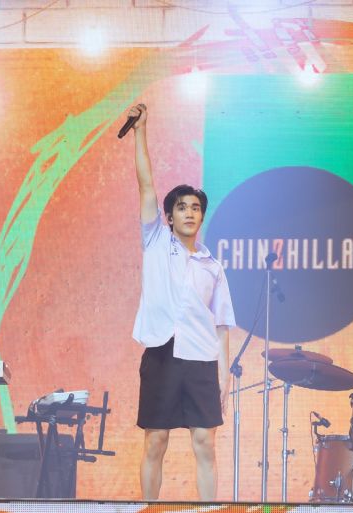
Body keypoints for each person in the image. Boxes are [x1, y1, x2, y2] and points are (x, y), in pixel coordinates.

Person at [129, 104, 235, 501]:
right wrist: (141, 130)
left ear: (201, 217)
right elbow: (146, 186)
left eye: (196, 208)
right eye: (182, 207)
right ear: (169, 217)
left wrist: (223, 378)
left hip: (201, 359)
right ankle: (149, 509)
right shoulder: (156, 241)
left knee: (205, 442)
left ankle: (209, 510)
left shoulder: (213, 267)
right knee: (155, 440)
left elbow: (221, 327)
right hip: (161, 352)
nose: (190, 212)